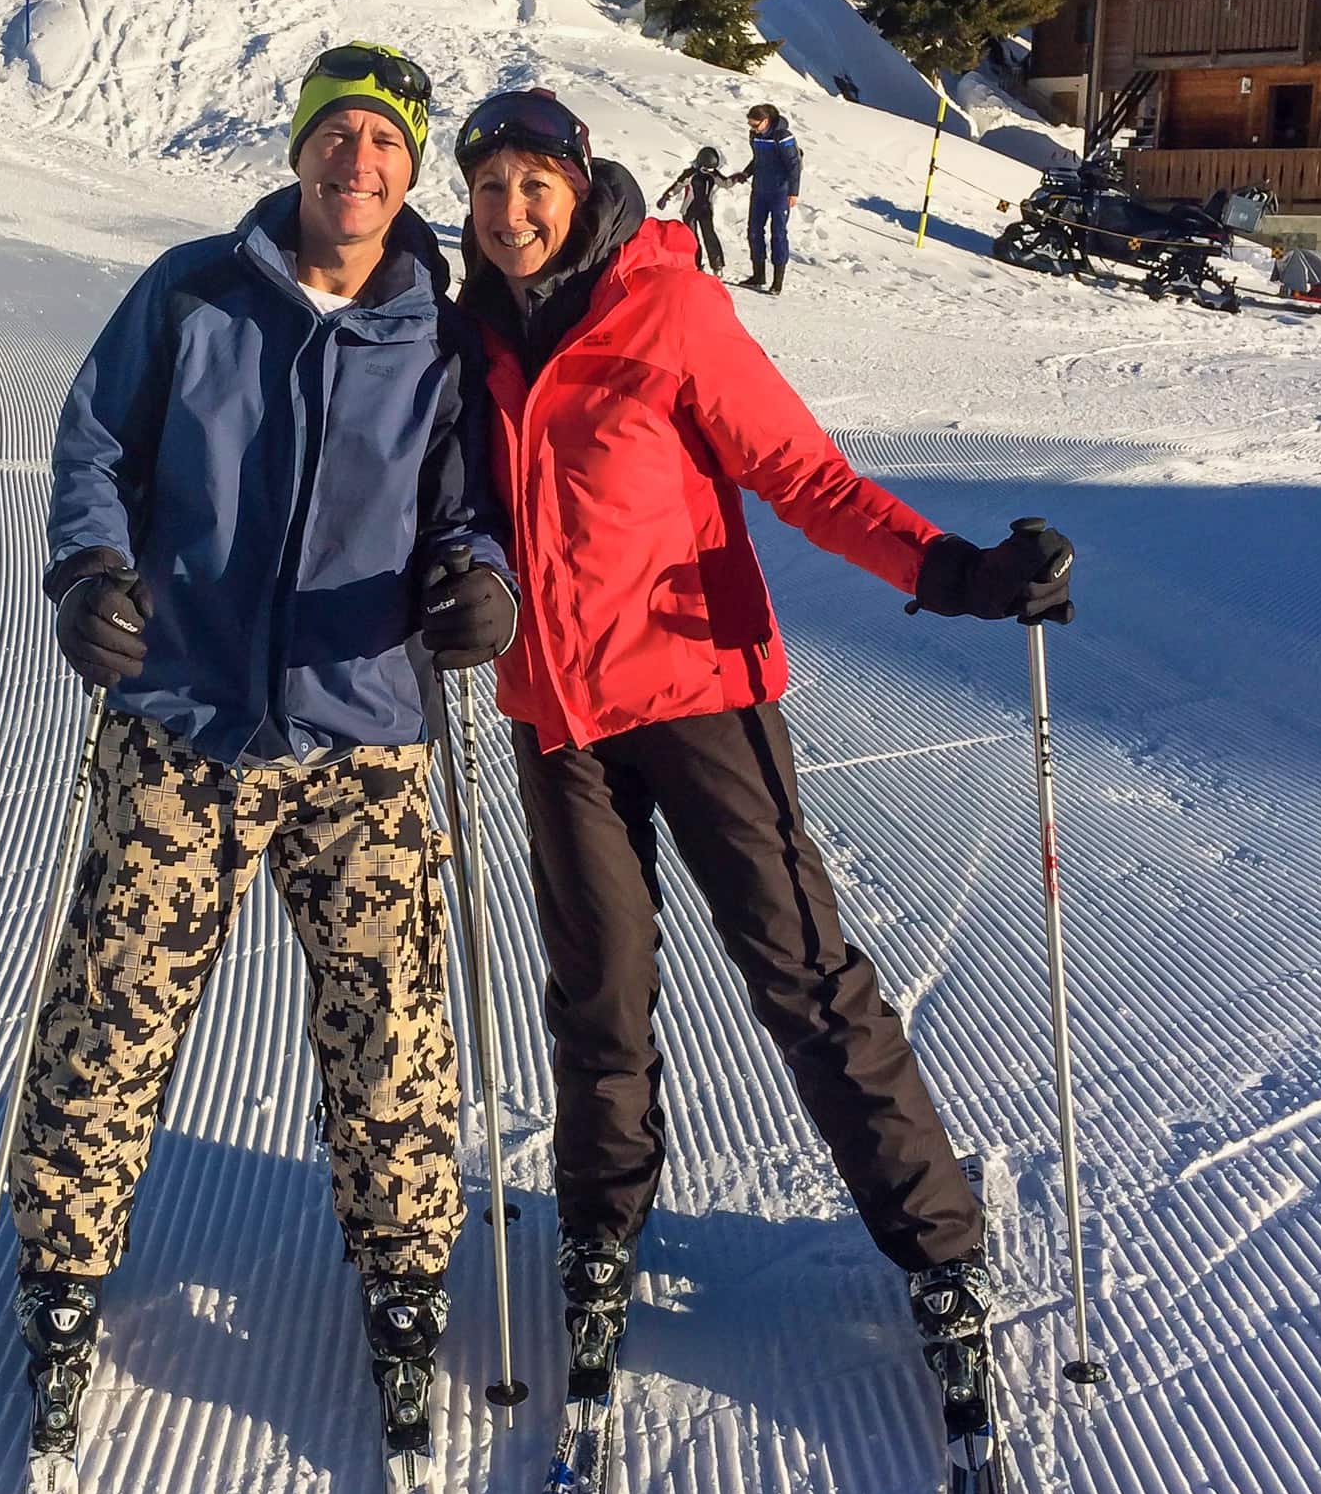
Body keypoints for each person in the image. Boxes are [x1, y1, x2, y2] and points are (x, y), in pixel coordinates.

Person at [451, 84, 1074, 1386]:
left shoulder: (666, 305)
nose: (510, 213)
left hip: (698, 693)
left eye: (532, 185)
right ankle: (602, 1231)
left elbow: (806, 476)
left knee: (801, 972)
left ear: (579, 185)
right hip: (556, 716)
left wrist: (952, 570)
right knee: (599, 994)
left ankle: (939, 1245)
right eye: (488, 189)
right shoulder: (472, 340)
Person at [8, 42, 519, 1448]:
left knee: (393, 1022)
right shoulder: (193, 290)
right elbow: (94, 446)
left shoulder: (440, 332)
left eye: (387, 144)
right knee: (111, 1002)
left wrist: (481, 583)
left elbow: (473, 508)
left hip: (363, 731)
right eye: (339, 134)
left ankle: (406, 1274)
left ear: (413, 173)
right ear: (299, 148)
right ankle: (61, 1268)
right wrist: (89, 576)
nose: (359, 163)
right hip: (181, 720)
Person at [732, 103, 802, 293]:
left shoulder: (783, 136)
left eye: (755, 125)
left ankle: (777, 282)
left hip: (780, 192)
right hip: (760, 190)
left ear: (766, 121)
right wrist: (746, 174)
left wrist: (793, 192)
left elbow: (794, 164)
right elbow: (758, 160)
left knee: (778, 233)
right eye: (750, 125)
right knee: (754, 230)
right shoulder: (755, 135)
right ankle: (758, 275)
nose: (752, 129)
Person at [655, 146, 732, 275]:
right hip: (690, 210)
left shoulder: (714, 175)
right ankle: (694, 264)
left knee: (710, 236)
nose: (709, 172)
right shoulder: (690, 174)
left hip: (706, 210)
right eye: (706, 169)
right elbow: (678, 185)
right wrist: (666, 196)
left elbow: (726, 183)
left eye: (712, 169)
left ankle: (717, 266)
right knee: (691, 238)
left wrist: (737, 178)